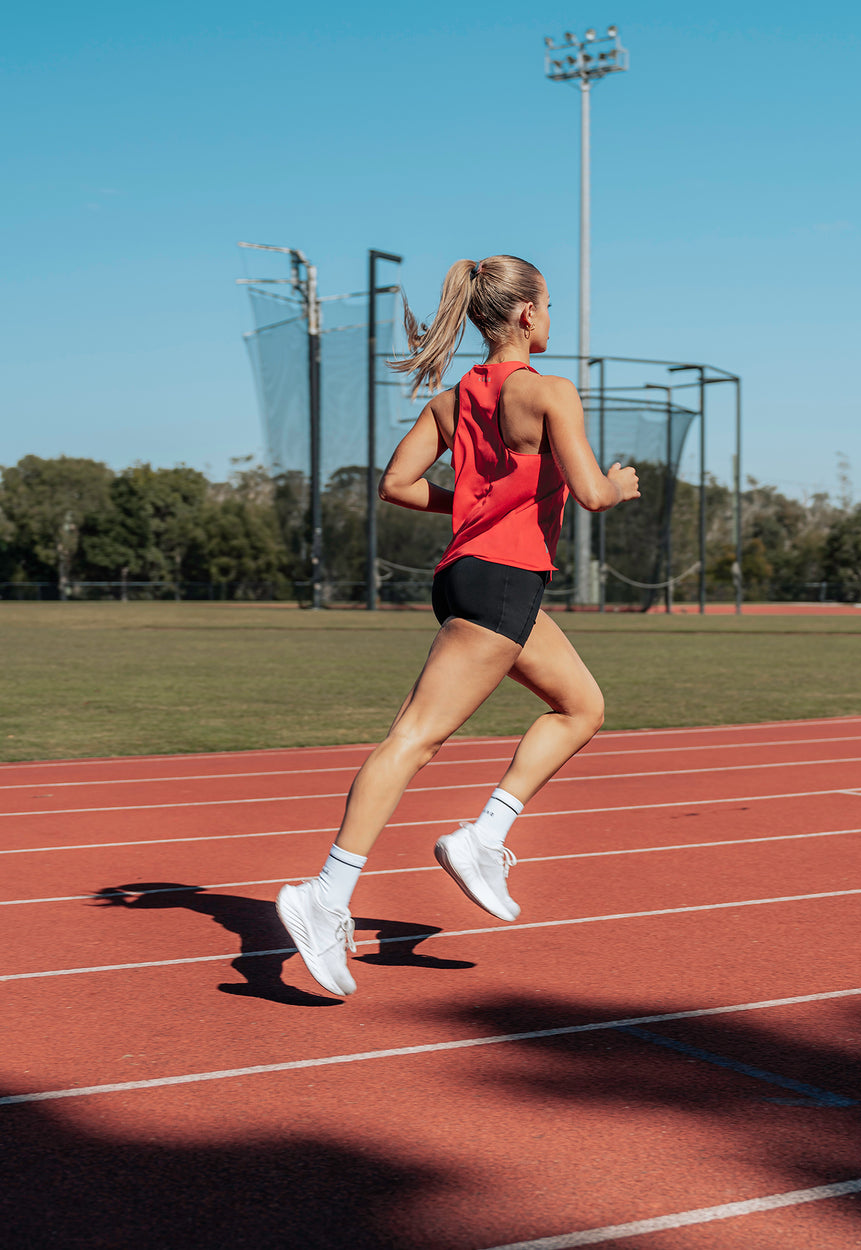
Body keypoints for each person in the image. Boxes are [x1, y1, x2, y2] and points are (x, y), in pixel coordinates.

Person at [277, 254, 640, 997]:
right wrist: (622, 485)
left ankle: (484, 837)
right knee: (414, 739)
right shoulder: (550, 393)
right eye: (549, 308)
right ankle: (326, 895)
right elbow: (594, 494)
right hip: (504, 582)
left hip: (469, 579)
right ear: (528, 315)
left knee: (582, 706)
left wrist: (473, 509)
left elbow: (397, 485)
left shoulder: (451, 402)